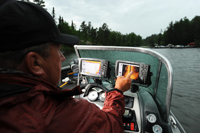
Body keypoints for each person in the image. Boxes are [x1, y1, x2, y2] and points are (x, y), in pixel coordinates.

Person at [0, 0, 133, 133]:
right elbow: (112, 125)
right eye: (59, 51)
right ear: (35, 63)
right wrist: (118, 90)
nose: (63, 58)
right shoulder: (63, 114)